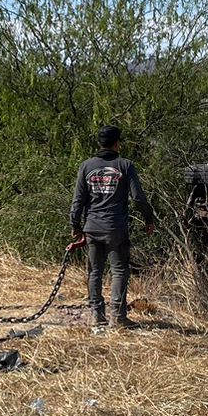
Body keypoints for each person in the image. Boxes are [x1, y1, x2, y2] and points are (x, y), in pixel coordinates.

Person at [70, 125, 156, 331]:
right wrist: (149, 219)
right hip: (116, 228)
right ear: (117, 144)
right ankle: (117, 316)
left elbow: (78, 200)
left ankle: (96, 315)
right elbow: (138, 197)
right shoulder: (125, 165)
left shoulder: (86, 166)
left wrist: (76, 225)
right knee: (119, 271)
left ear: (99, 143)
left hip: (92, 227)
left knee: (95, 272)